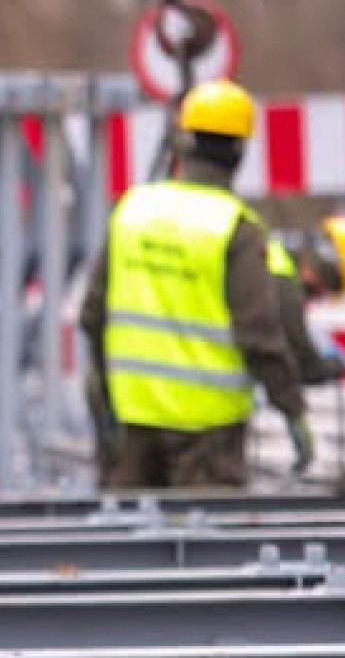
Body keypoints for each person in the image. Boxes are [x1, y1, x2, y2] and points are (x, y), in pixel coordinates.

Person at [77, 79, 312, 490]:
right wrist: (292, 410)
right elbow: (259, 335)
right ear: (240, 153)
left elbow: (91, 315)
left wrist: (105, 398)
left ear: (183, 143)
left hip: (131, 422)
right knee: (205, 549)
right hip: (208, 435)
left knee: (121, 548)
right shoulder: (236, 229)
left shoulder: (133, 210)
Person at [270, 215, 345, 385]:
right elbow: (305, 367)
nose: (318, 297)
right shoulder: (286, 290)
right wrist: (334, 365)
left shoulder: (270, 252)